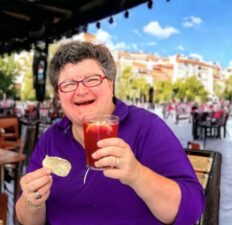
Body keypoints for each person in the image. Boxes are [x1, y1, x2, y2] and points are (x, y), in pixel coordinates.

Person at [15, 41, 205, 225]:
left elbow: (192, 211)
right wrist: (33, 200)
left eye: (92, 79)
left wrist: (138, 175)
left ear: (110, 84)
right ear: (59, 94)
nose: (80, 91)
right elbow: (26, 219)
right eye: (68, 84)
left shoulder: (146, 128)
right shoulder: (51, 138)